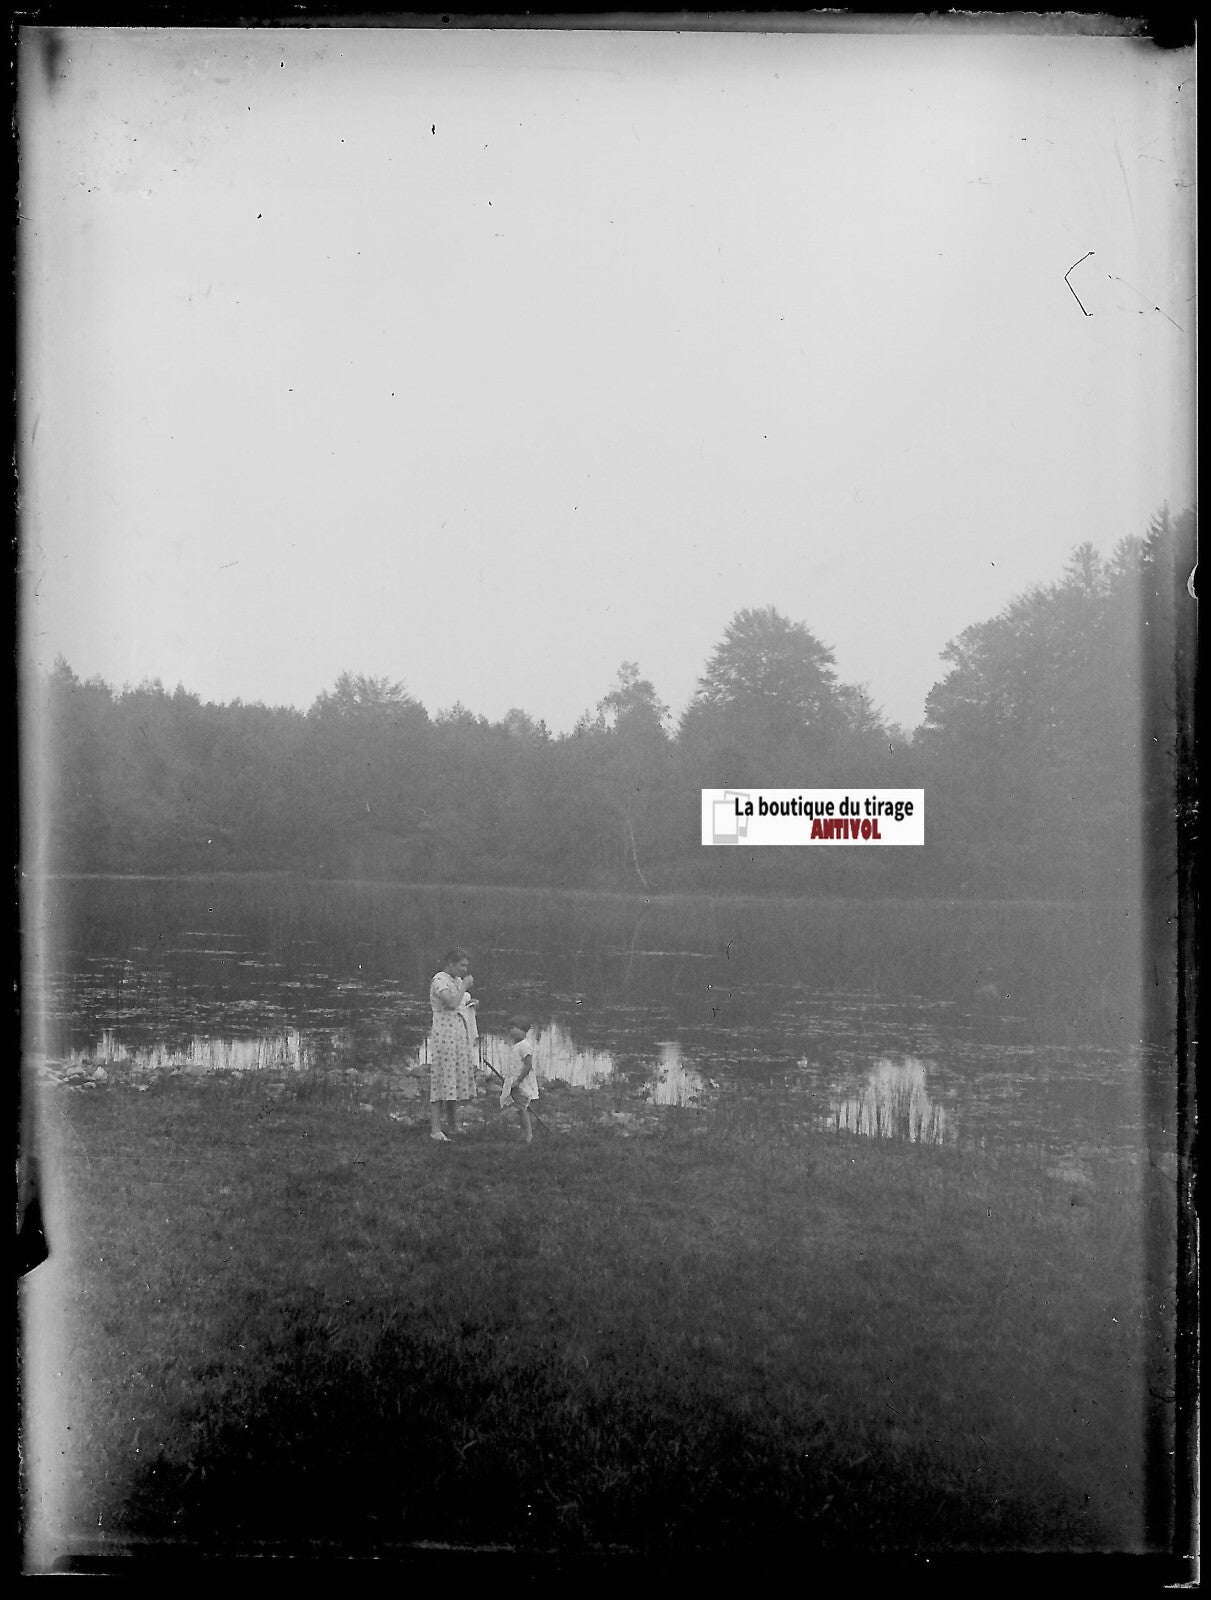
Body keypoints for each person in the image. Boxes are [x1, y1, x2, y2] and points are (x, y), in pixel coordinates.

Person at [428, 947, 475, 1142]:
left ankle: (453, 1126)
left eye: (466, 965)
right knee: (441, 1080)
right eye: (462, 965)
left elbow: (459, 1004)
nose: (465, 969)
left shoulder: (455, 981)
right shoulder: (439, 980)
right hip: (444, 1035)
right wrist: (464, 986)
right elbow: (450, 1003)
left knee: (453, 1079)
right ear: (451, 964)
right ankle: (435, 1129)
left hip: (457, 1034)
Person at [499, 1016, 538, 1144]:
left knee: (521, 1109)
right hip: (515, 1082)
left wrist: (518, 1081)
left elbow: (528, 1066)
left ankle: (528, 1135)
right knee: (519, 1108)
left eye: (514, 1028)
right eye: (510, 1029)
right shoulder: (516, 1045)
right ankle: (526, 1133)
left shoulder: (524, 1046)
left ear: (523, 1031)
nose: (511, 1031)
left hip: (521, 1084)